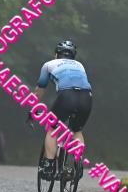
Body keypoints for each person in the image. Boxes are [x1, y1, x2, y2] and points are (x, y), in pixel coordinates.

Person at [33, 40, 92, 178]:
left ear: (56, 54)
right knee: (77, 130)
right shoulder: (80, 65)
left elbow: (40, 89)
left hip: (67, 96)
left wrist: (34, 106)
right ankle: (77, 164)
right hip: (86, 97)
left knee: (52, 128)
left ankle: (49, 166)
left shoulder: (48, 65)